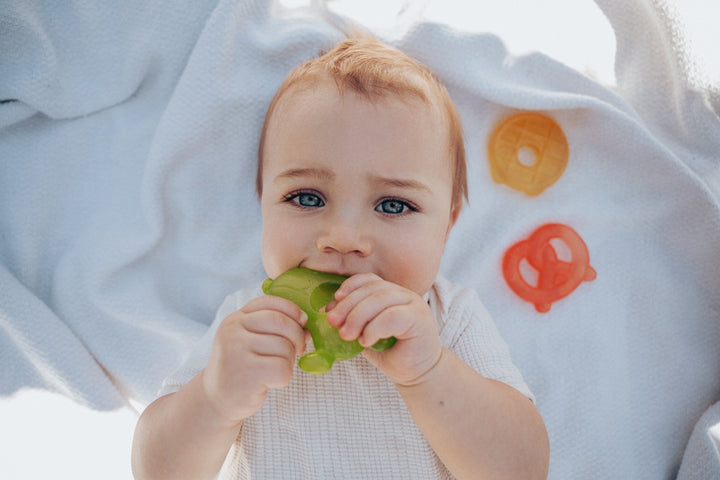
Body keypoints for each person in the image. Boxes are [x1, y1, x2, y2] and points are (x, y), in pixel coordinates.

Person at [132, 33, 549, 480]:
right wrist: (215, 398)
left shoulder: (449, 321)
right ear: (263, 203)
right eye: (307, 198)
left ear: (446, 226)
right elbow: (158, 472)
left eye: (393, 205)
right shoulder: (250, 323)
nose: (344, 239)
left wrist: (429, 371)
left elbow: (522, 471)